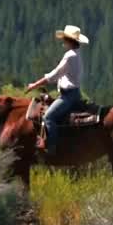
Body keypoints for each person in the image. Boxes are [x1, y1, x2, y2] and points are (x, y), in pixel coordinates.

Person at [25, 25, 88, 155]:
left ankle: (51, 147)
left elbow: (53, 75)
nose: (63, 41)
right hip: (75, 93)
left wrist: (34, 86)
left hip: (68, 96)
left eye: (64, 39)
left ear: (69, 41)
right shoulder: (77, 53)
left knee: (48, 117)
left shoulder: (69, 56)